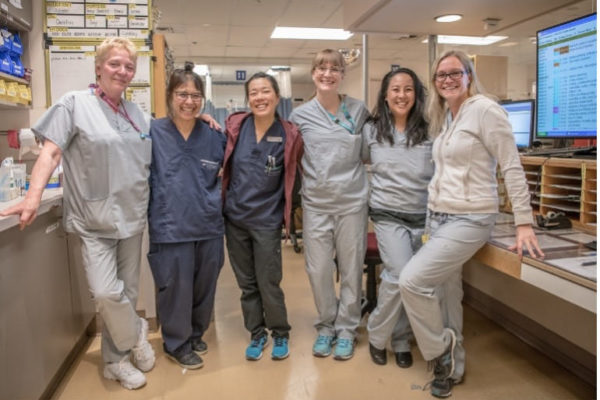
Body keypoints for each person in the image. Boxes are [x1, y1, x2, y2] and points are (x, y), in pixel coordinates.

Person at [0, 37, 155, 390]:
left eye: (129, 66)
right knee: (105, 292)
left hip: (132, 216)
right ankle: (136, 334)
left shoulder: (135, 113)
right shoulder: (73, 104)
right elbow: (51, 154)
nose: (123, 71)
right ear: (98, 67)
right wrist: (31, 195)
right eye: (115, 64)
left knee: (127, 292)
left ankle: (116, 361)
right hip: (94, 219)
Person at [397, 50, 544, 398]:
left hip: (471, 217)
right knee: (448, 294)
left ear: (468, 75)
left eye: (454, 73)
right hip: (439, 215)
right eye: (440, 75)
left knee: (412, 281)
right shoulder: (448, 117)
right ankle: (452, 366)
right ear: (435, 83)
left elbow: (511, 165)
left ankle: (439, 348)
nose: (447, 80)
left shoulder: (485, 110)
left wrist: (524, 222)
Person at [290, 49, 370, 360]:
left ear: (342, 74)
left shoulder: (358, 109)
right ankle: (326, 325)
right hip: (316, 205)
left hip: (352, 203)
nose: (328, 74)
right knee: (318, 269)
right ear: (313, 74)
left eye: (334, 68)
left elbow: (369, 151)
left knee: (351, 269)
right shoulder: (301, 116)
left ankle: (347, 327)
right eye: (322, 68)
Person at [146, 63, 226, 369]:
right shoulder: (153, 132)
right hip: (170, 225)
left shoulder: (214, 135)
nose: (189, 101)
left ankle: (194, 333)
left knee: (205, 285)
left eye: (195, 95)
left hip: (207, 224)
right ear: (169, 95)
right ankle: (176, 342)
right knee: (175, 287)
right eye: (182, 94)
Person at [222, 72, 303, 361]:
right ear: (248, 99)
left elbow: (296, 176)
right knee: (247, 284)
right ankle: (257, 333)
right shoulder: (236, 126)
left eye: (265, 91)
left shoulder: (289, 134)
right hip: (235, 220)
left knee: (268, 281)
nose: (259, 97)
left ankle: (280, 332)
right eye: (254, 92)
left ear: (277, 97)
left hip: (267, 222)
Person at [362, 68, 433, 368]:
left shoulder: (431, 130)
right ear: (385, 95)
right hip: (388, 215)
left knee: (410, 282)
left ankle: (401, 340)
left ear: (416, 95)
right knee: (399, 275)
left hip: (424, 218)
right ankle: (378, 335)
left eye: (408, 89)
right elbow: (358, 163)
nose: (401, 95)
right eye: (395, 89)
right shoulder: (372, 130)